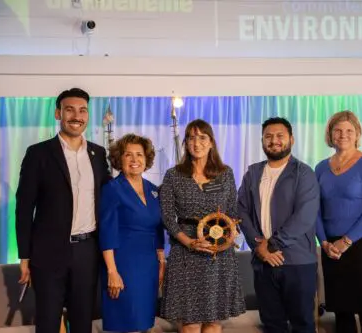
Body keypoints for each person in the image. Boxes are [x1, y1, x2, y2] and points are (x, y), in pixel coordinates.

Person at [15, 88, 110, 333]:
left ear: (87, 116)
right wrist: (24, 256)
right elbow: (24, 208)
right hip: (48, 253)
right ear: (58, 113)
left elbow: (110, 198)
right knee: (47, 323)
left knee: (82, 324)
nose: (76, 116)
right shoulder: (38, 154)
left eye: (82, 110)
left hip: (88, 252)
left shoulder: (98, 154)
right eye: (69, 109)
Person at [159, 119, 246, 333]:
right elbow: (168, 216)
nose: (196, 143)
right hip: (185, 253)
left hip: (219, 256)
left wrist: (228, 236)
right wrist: (189, 242)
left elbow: (233, 213)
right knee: (190, 324)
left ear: (211, 142)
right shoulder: (174, 175)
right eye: (191, 138)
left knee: (214, 323)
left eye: (202, 137)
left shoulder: (225, 174)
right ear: (186, 143)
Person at [238, 117, 320, 333]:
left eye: (280, 136)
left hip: (297, 263)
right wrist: (258, 247)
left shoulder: (304, 173)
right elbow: (241, 211)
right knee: (272, 325)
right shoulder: (253, 173)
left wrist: (271, 244)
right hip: (263, 263)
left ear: (291, 139)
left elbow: (305, 216)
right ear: (262, 141)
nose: (274, 141)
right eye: (268, 136)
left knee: (302, 324)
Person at [315, 111, 362, 333]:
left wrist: (345, 242)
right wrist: (324, 242)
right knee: (342, 313)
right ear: (330, 135)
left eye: (349, 130)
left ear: (357, 134)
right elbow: (315, 210)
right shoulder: (320, 168)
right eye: (337, 130)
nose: (343, 135)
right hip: (331, 250)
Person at [99, 134, 165, 333]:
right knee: (128, 323)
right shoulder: (112, 189)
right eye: (128, 155)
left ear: (146, 159)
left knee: (145, 324)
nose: (135, 160)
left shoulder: (154, 190)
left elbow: (158, 228)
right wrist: (112, 271)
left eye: (139, 155)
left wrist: (161, 261)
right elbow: (106, 232)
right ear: (120, 159)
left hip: (149, 266)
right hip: (123, 265)